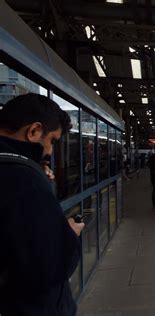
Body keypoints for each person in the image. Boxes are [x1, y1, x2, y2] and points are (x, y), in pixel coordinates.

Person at [0, 93, 85, 316]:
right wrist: (69, 233)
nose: (49, 151)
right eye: (52, 141)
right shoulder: (24, 179)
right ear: (34, 131)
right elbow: (50, 264)